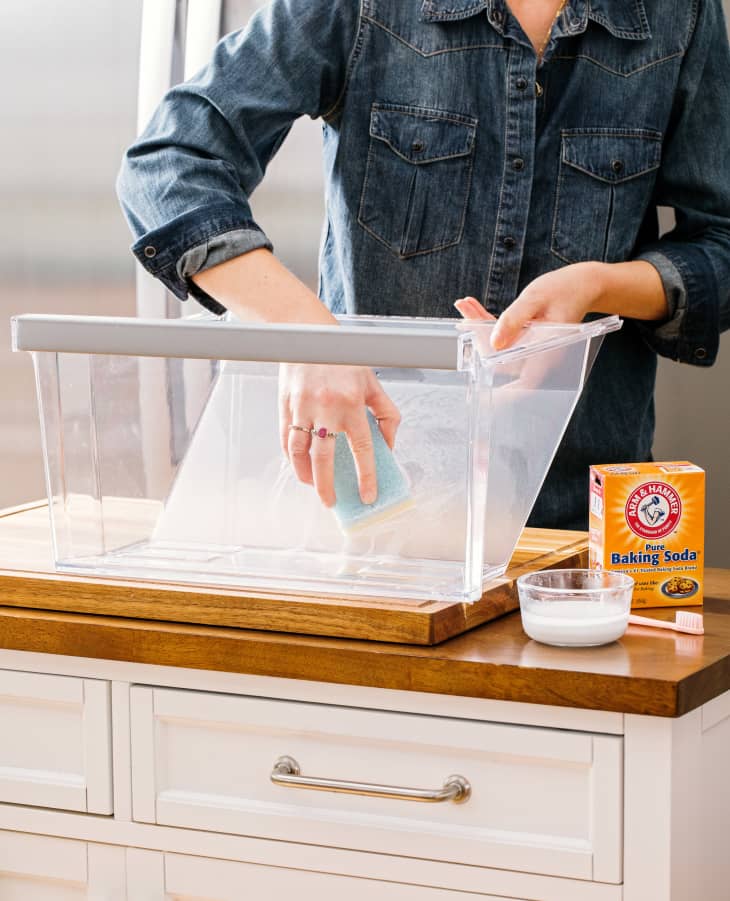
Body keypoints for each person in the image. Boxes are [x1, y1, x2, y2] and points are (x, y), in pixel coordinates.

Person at [117, 0, 730, 530]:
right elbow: (169, 165)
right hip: (373, 510)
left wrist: (600, 285)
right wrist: (307, 339)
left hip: (586, 525)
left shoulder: (683, 15)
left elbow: (721, 246)